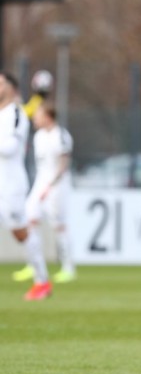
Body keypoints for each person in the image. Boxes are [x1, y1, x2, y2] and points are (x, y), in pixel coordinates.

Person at [0, 71, 52, 301]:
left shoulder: (16, 113)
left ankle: (42, 281)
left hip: (10, 185)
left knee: (21, 233)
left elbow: (11, 148)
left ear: (11, 88)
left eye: (1, 83)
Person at [12, 102, 76, 284]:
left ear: (47, 117)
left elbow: (63, 164)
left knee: (59, 225)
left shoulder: (61, 135)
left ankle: (68, 268)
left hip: (57, 185)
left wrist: (51, 186)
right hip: (40, 183)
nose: (34, 119)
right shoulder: (38, 136)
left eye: (38, 116)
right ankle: (33, 264)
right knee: (29, 219)